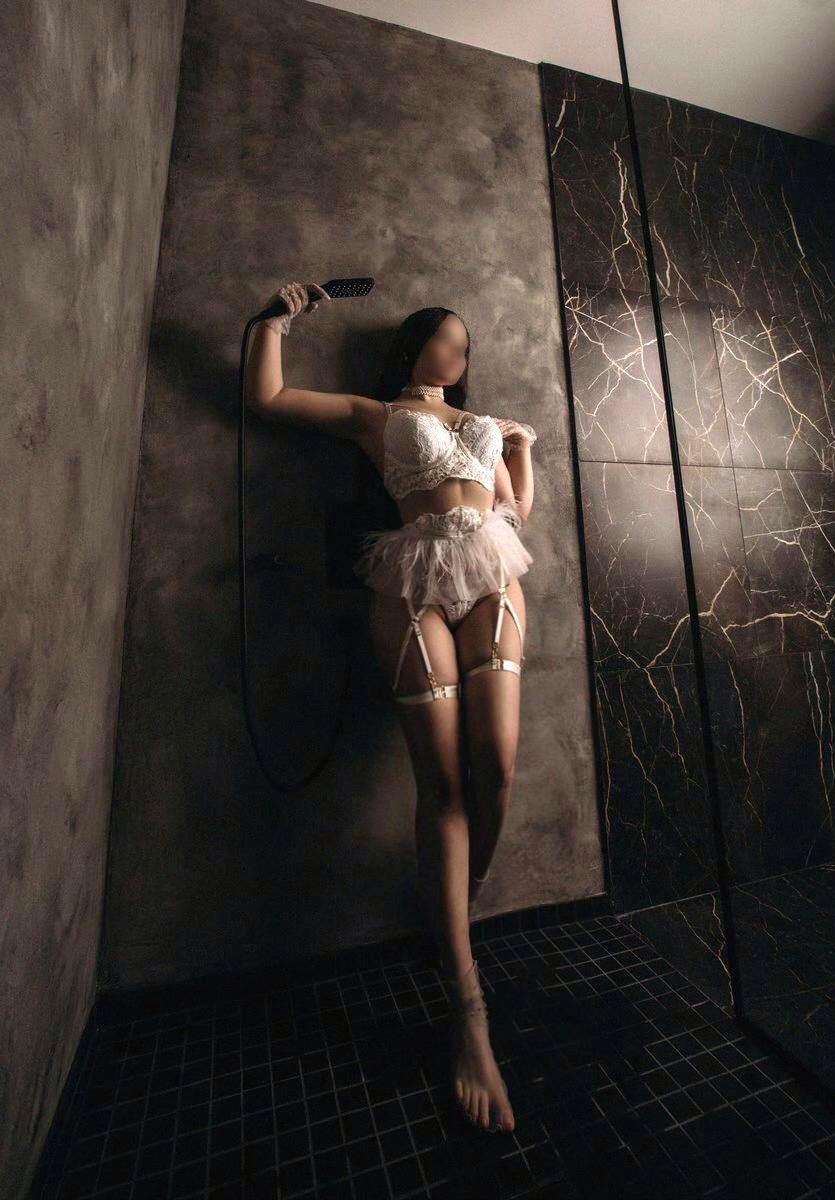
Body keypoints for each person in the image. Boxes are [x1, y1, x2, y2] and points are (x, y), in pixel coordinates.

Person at [246, 280, 539, 1135]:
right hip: (410, 578)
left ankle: (455, 900)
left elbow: (515, 513)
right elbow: (268, 398)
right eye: (445, 338)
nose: (457, 353)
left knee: (498, 766)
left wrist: (520, 450)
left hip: (492, 573)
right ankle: (467, 1010)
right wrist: (273, 322)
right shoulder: (374, 414)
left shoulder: (481, 423)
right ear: (413, 345)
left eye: (464, 345)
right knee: (439, 783)